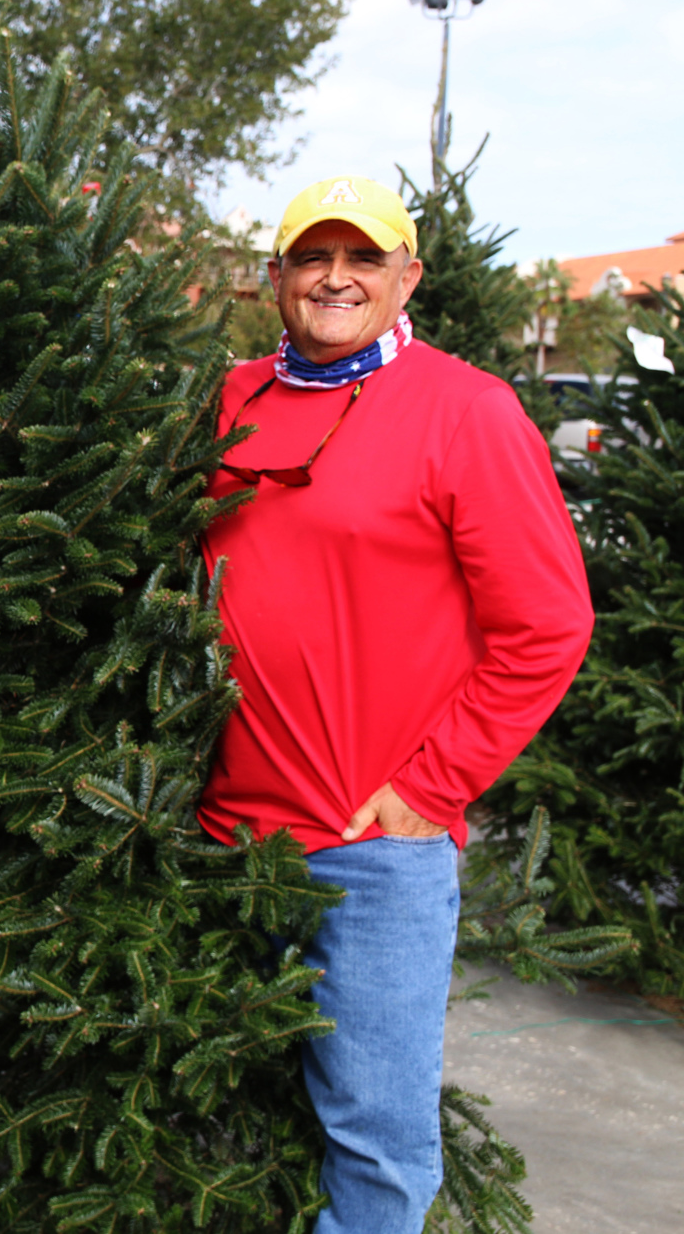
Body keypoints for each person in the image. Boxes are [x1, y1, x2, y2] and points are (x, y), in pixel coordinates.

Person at [199, 175, 592, 1233]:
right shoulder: (227, 399)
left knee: (373, 1150)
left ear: (404, 276)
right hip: (211, 837)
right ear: (273, 278)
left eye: (361, 258)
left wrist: (428, 788)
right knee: (216, 1134)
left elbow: (546, 625)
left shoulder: (468, 411)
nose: (334, 278)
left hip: (366, 849)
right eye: (311, 257)